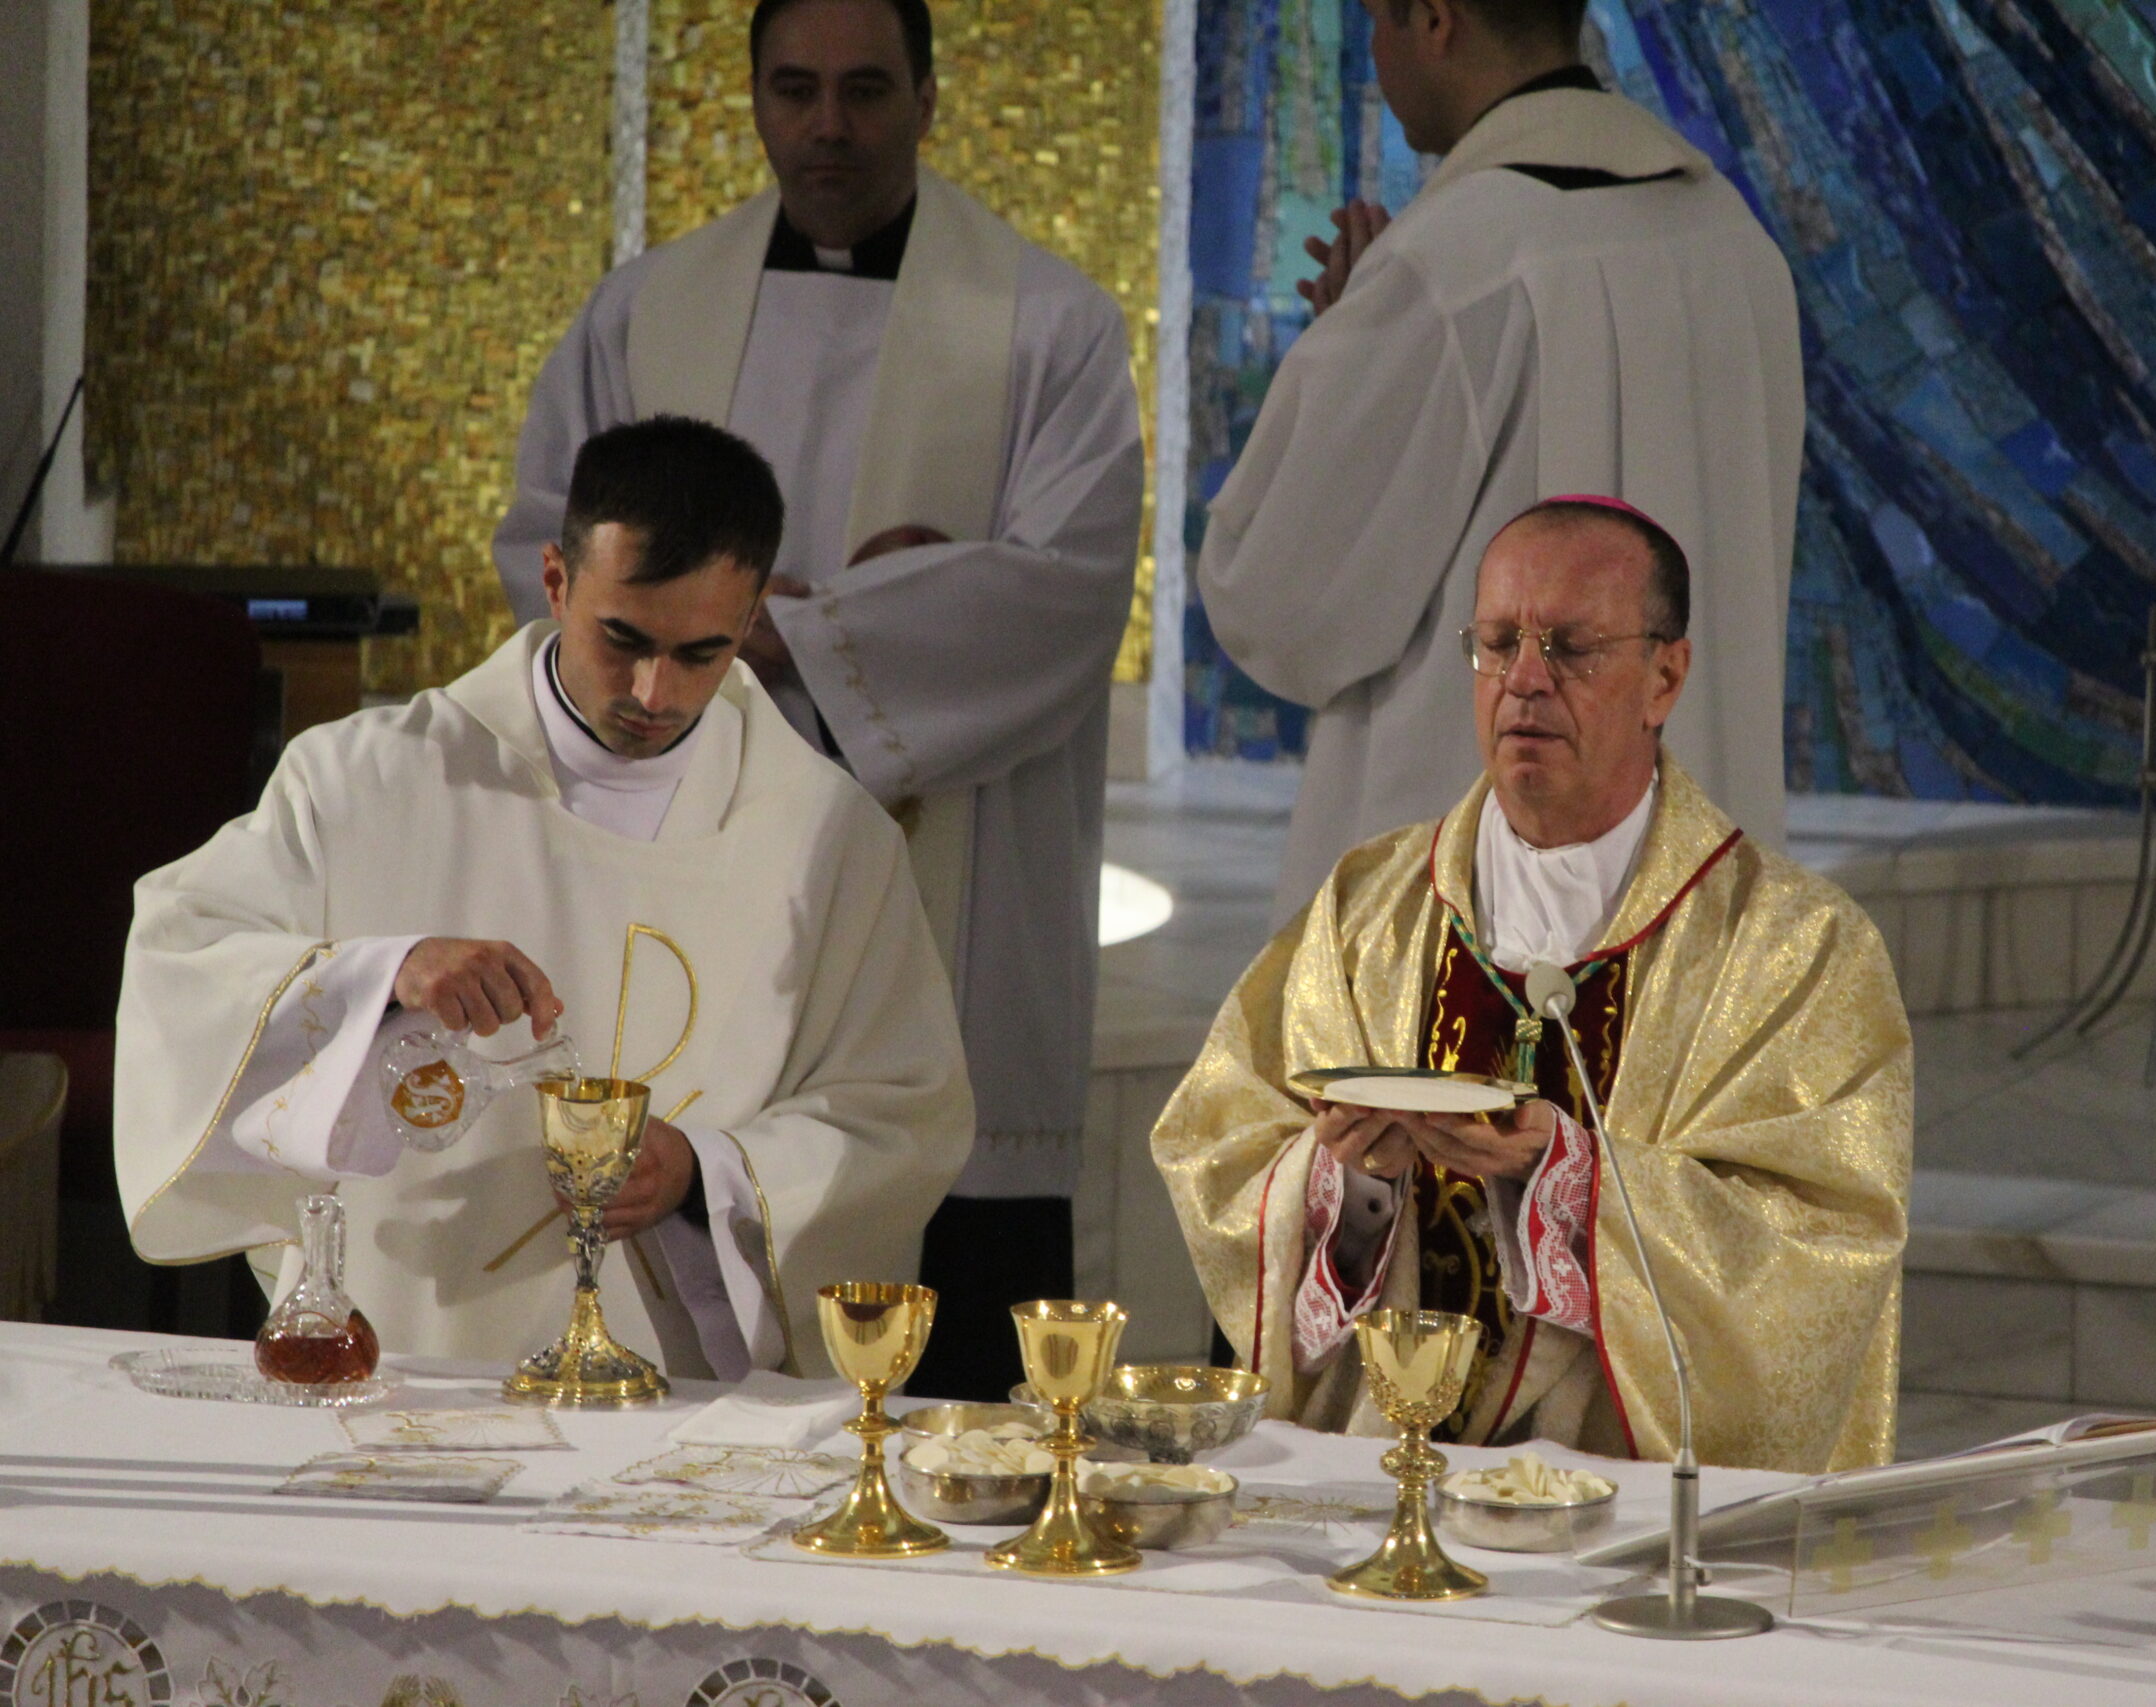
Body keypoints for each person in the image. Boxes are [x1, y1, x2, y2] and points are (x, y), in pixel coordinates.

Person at [491, 0, 1144, 1394]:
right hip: (700, 848)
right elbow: (546, 541)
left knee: (956, 1326)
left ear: (928, 95)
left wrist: (810, 633)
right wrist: (809, 624)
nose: (828, 126)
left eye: (865, 90)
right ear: (752, 97)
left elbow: (1072, 587)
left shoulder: (1049, 325)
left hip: (962, 875)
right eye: (795, 90)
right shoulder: (645, 312)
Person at [119, 418, 974, 1378]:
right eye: (624, 638)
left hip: (679, 1394)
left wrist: (706, 1172)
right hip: (414, 1367)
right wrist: (383, 973)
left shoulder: (828, 839)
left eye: (701, 652)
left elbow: (901, 1112)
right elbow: (181, 951)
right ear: (557, 581)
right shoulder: (367, 781)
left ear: (750, 622)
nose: (654, 691)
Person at [1154, 499, 1908, 1469]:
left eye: (1571, 648)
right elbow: (1218, 1148)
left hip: (1622, 1487)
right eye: (1499, 642)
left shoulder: (1796, 949)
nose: (1523, 680)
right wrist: (1344, 1177)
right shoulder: (1367, 911)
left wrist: (1570, 1179)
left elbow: (1820, 1252)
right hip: (1382, 1470)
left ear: (1665, 677)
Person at [1197, 0, 1804, 923]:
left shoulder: (1451, 265)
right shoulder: (1734, 243)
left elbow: (1278, 603)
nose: (1376, 47)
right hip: (1698, 878)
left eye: (1378, 17)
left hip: (1477, 911)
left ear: (1435, 19)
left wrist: (1348, 345)